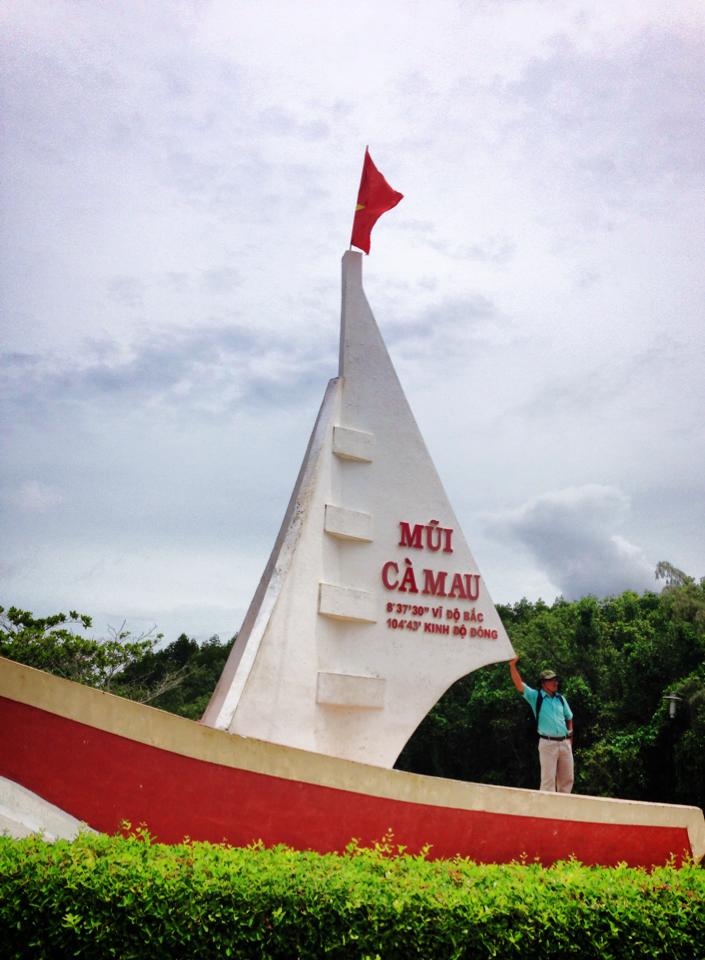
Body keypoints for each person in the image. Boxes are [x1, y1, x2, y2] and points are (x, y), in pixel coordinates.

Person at [509, 657, 574, 794]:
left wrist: (570, 736)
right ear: (544, 683)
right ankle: (546, 811)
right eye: (552, 680)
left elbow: (569, 717)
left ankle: (561, 813)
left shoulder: (560, 699)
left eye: (556, 679)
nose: (556, 682)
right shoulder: (535, 696)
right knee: (548, 782)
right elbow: (519, 685)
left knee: (567, 779)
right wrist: (512, 666)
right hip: (547, 742)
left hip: (564, 742)